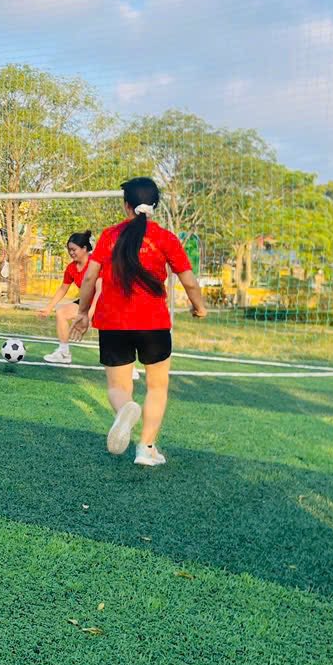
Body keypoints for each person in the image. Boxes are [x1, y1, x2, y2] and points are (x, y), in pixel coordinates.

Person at [71, 178, 207, 466]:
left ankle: (125, 411)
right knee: (157, 387)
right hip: (153, 325)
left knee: (118, 389)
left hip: (113, 323)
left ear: (126, 205)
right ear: (155, 205)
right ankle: (146, 448)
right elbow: (189, 282)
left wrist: (82, 312)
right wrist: (199, 307)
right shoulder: (166, 238)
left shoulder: (109, 236)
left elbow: (90, 277)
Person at [38, 231, 97, 364]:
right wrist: (49, 307)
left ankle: (128, 367)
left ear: (84, 248)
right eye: (69, 250)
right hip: (86, 302)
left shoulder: (96, 263)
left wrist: (90, 315)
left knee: (115, 334)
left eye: (74, 249)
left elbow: (101, 289)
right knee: (61, 312)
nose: (71, 253)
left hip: (105, 302)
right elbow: (63, 288)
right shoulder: (71, 268)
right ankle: (64, 353)